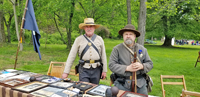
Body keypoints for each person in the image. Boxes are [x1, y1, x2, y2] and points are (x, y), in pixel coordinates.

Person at [109, 24, 153, 95]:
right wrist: (127, 68)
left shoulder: (142, 49)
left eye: (131, 34)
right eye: (126, 34)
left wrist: (142, 66)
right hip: (122, 84)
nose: (128, 36)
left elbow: (150, 64)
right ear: (123, 36)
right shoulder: (116, 49)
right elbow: (111, 65)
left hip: (140, 84)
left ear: (134, 36)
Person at [62, 18, 107, 84]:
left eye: (91, 26)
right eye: (87, 26)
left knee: (94, 89)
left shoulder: (99, 39)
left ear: (94, 28)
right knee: (83, 88)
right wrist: (66, 72)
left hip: (96, 69)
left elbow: (103, 56)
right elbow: (71, 56)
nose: (89, 28)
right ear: (84, 28)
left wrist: (104, 71)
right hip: (84, 69)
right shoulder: (78, 39)